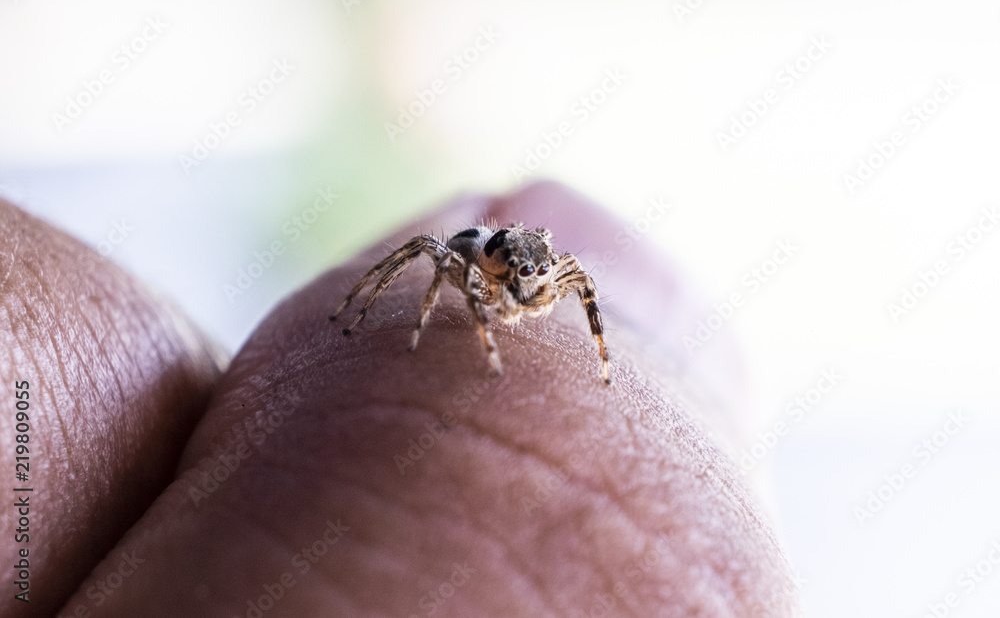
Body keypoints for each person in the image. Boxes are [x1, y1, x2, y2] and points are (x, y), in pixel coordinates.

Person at [0, 182, 801, 617]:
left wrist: (599, 357)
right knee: (424, 258)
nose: (532, 278)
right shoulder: (469, 268)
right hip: (456, 264)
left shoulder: (555, 271)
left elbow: (578, 280)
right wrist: (445, 330)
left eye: (540, 268)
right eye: (520, 269)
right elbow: (435, 261)